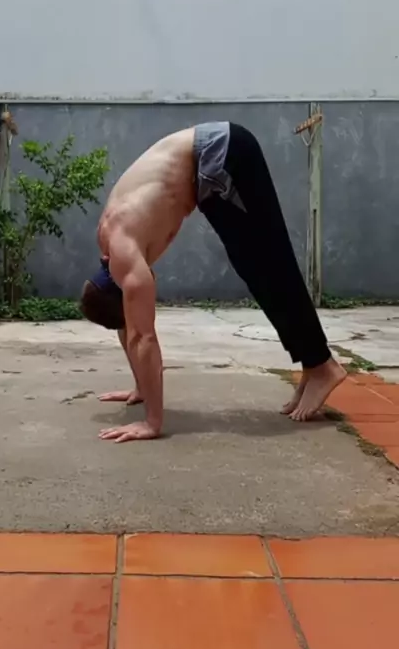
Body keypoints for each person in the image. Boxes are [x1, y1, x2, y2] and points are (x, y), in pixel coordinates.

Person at [80, 121, 346, 443]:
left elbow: (141, 337)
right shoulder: (115, 253)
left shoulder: (125, 254)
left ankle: (322, 366)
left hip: (221, 155)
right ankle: (314, 364)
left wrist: (152, 422)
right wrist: (141, 387)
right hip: (213, 165)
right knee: (259, 269)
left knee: (269, 262)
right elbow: (130, 328)